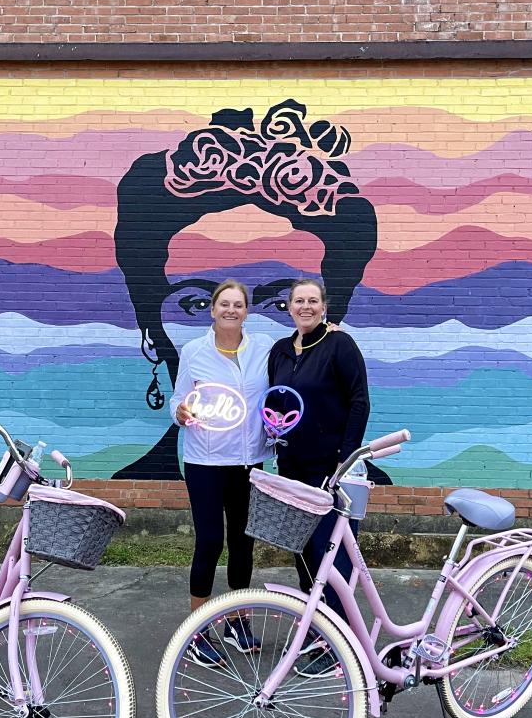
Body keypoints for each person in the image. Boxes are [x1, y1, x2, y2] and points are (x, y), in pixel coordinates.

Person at [112, 99, 383, 481]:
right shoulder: (137, 479)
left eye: (277, 302)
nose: (240, 319)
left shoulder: (330, 358)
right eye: (199, 301)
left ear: (322, 313)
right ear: (150, 326)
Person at [268, 277, 371, 678]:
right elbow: (273, 401)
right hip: (291, 465)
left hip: (331, 469)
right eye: (298, 301)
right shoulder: (280, 350)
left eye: (313, 301)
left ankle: (337, 642)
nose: (305, 307)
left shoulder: (340, 345)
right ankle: (315, 627)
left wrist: (345, 458)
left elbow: (360, 401)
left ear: (324, 306)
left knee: (334, 554)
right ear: (289, 307)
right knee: (304, 552)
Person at [169, 280, 272, 665]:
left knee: (243, 543)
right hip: (205, 463)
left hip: (249, 461)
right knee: (211, 541)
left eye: (238, 305)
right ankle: (197, 632)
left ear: (247, 311)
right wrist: (179, 412)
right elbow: (179, 400)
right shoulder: (194, 351)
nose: (231, 310)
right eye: (224, 304)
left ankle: (237, 621)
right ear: (212, 310)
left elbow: (299, 349)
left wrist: (331, 330)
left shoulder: (263, 347)